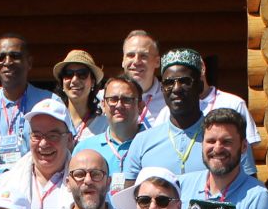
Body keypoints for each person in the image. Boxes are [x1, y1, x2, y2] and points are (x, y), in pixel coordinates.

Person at [0, 33, 62, 169]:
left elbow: (65, 146)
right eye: (1, 58)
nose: (7, 62)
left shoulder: (50, 102)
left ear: (29, 62)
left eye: (15, 56)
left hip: (35, 184)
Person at [118, 50, 206, 183]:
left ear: (199, 86)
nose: (176, 89)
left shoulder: (220, 139)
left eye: (185, 81)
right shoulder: (142, 142)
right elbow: (129, 198)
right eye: (168, 83)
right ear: (162, 88)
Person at [78, 73, 145, 176]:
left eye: (127, 99)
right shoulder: (84, 148)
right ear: (103, 105)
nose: (119, 105)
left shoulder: (153, 145)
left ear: (140, 106)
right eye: (113, 99)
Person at [53, 48, 106, 136]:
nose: (74, 80)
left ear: (92, 81)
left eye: (82, 74)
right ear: (62, 82)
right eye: (68, 74)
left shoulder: (104, 125)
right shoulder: (52, 119)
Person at [121, 29, 165, 126]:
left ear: (157, 62)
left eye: (143, 56)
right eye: (130, 55)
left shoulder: (169, 98)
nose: (136, 61)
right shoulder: (106, 98)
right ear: (123, 61)